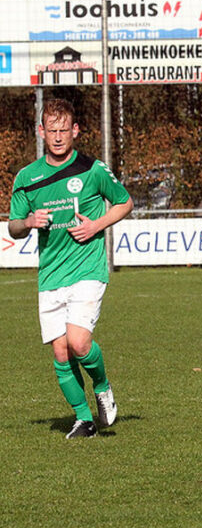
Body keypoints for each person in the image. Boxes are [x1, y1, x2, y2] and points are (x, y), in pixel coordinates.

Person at [8, 98, 133, 439]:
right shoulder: (27, 178)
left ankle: (103, 387)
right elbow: (13, 227)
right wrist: (29, 221)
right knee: (61, 352)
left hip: (87, 270)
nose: (59, 137)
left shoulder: (92, 169)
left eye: (65, 130)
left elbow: (125, 202)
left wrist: (96, 226)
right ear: (41, 131)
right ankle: (84, 420)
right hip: (50, 274)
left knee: (79, 343)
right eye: (53, 130)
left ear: (75, 131)